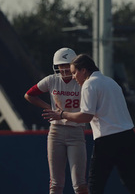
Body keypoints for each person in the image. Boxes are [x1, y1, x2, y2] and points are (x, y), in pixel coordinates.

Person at [43, 54, 135, 194]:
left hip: (107, 140)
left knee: (95, 185)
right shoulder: (111, 82)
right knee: (132, 183)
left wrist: (62, 114)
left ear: (84, 71)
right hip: (128, 136)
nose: (74, 77)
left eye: (75, 72)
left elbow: (86, 116)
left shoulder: (89, 84)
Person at [24, 48, 88, 194]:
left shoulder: (81, 81)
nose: (64, 69)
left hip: (76, 131)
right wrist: (49, 108)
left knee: (79, 184)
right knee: (56, 184)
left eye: (67, 65)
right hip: (56, 131)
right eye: (61, 65)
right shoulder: (52, 80)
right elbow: (29, 95)